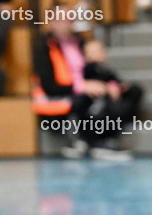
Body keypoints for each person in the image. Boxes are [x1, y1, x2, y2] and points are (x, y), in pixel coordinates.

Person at [30, 12, 134, 160]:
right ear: (51, 23)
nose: (66, 22)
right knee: (87, 100)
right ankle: (90, 140)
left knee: (131, 92)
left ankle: (104, 139)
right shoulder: (44, 47)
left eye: (69, 18)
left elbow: (94, 69)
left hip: (86, 87)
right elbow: (49, 86)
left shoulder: (81, 42)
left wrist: (110, 85)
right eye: (60, 19)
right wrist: (81, 87)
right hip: (60, 97)